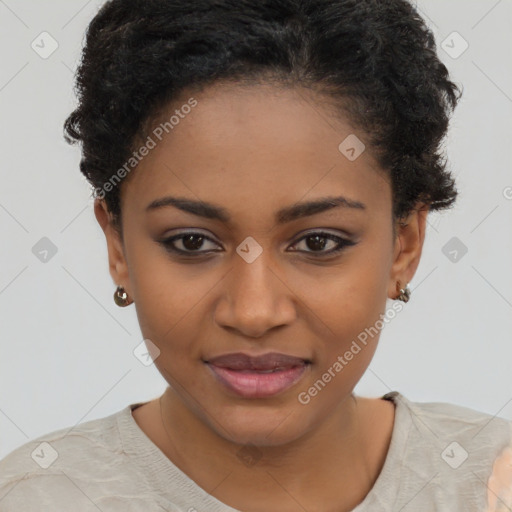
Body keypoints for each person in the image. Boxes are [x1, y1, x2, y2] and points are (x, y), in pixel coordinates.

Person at [1, 0, 511, 510]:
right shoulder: (38, 497)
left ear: (404, 246)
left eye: (318, 242)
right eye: (191, 242)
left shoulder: (490, 484)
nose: (253, 313)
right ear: (119, 247)